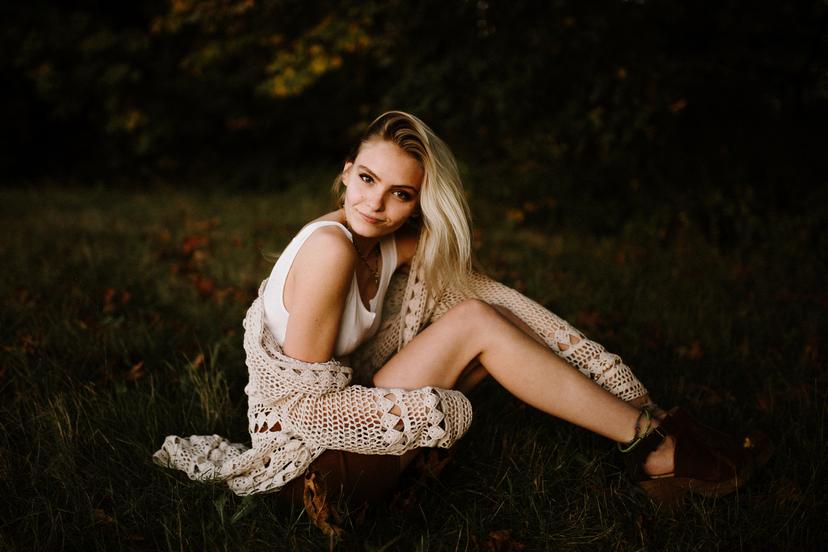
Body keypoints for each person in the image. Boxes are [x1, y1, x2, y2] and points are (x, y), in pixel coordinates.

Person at [153, 111, 769, 515]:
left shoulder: (385, 244)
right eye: (366, 179)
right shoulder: (329, 247)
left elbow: (497, 300)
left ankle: (652, 428)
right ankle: (652, 445)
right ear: (345, 176)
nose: (377, 202)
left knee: (478, 315)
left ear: (417, 202)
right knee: (474, 326)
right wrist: (431, 407)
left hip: (336, 431)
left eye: (401, 193)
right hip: (302, 466)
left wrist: (622, 384)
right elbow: (306, 409)